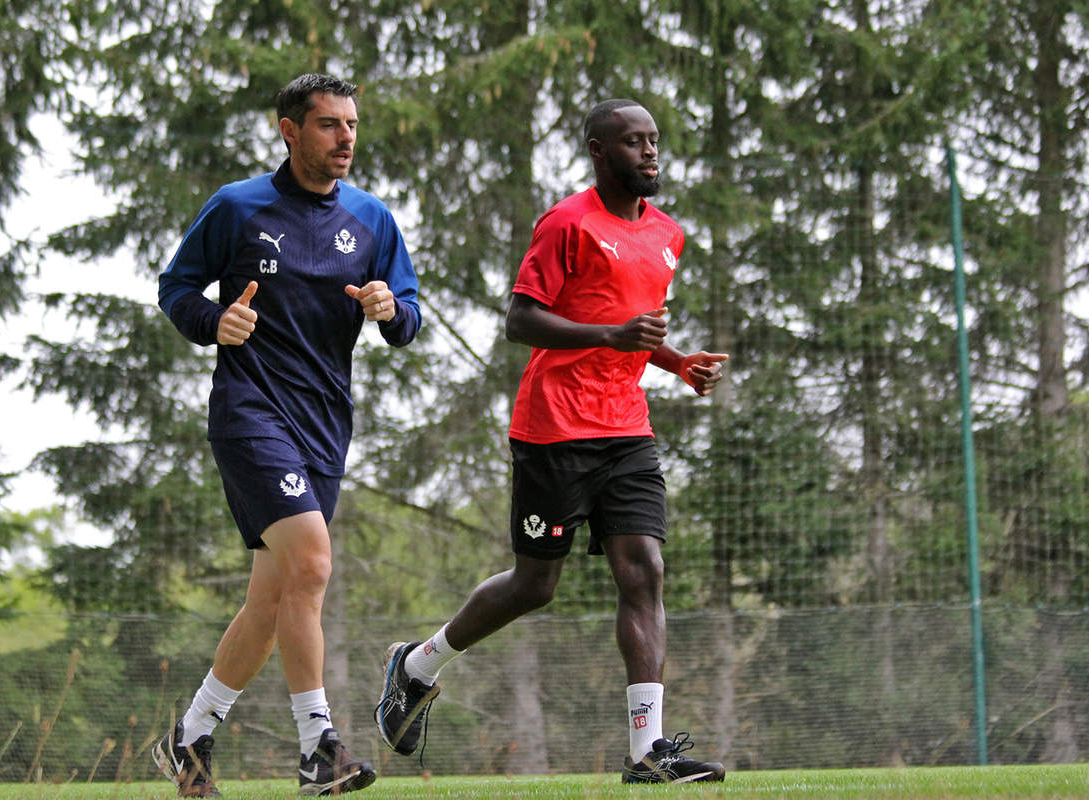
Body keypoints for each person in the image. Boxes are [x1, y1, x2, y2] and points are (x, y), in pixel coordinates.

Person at [375, 99, 727, 784]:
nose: (650, 153)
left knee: (644, 570)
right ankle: (416, 666)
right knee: (536, 585)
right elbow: (521, 320)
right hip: (554, 428)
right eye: (633, 142)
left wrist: (677, 361)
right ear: (599, 151)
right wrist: (611, 338)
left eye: (654, 141)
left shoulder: (667, 236)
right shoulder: (566, 224)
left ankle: (646, 752)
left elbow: (628, 326)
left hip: (627, 427)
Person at [153, 73, 421, 798]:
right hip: (249, 413)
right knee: (312, 564)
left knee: (276, 601)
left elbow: (409, 319)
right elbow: (176, 288)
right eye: (330, 125)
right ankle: (318, 749)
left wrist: (389, 307)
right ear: (288, 130)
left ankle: (193, 735)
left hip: (325, 425)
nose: (346, 139)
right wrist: (216, 321)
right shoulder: (238, 207)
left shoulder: (373, 219)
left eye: (353, 125)